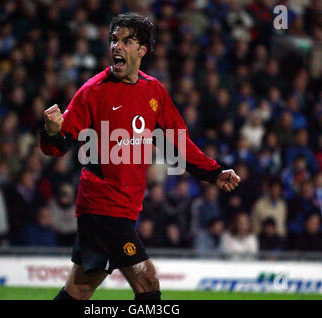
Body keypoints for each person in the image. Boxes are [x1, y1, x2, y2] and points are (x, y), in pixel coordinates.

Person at [39, 13, 241, 301]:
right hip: (101, 206)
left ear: (142, 50)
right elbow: (56, 148)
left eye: (127, 41)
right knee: (147, 280)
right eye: (114, 40)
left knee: (80, 289)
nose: (116, 47)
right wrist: (50, 131)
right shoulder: (93, 92)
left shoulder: (153, 91)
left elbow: (179, 143)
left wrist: (214, 172)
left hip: (126, 207)